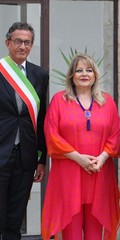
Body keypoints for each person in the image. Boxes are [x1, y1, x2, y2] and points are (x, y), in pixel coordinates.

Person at [41, 54, 120, 240]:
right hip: (69, 172)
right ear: (71, 76)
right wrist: (79, 158)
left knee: (95, 230)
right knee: (72, 230)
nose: (84, 74)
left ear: (95, 75)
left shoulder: (107, 102)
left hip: (99, 171)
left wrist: (101, 158)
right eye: (79, 70)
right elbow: (52, 134)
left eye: (89, 70)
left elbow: (115, 133)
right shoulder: (59, 100)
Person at [0, 22, 49, 240]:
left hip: (26, 156)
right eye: (18, 41)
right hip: (1, 151)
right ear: (7, 43)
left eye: (27, 42)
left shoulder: (40, 75)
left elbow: (42, 118)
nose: (22, 46)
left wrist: (41, 159)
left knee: (16, 215)